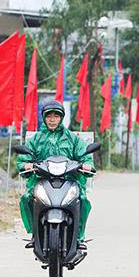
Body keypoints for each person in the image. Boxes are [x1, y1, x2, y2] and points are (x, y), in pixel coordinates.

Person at [17, 100, 94, 247]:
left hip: (69, 180)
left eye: (56, 116)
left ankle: (79, 237)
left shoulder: (72, 138)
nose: (52, 119)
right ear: (44, 118)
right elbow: (23, 159)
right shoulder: (36, 140)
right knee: (27, 198)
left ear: (61, 118)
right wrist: (25, 164)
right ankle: (35, 234)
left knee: (82, 200)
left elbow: (85, 155)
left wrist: (87, 165)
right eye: (49, 116)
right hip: (41, 180)